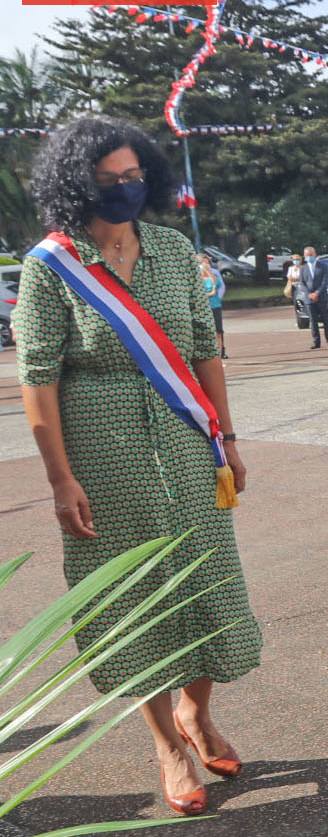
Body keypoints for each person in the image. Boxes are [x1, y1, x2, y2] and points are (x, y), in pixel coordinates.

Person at [14, 116, 262, 816]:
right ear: (75, 184)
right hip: (101, 454)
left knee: (206, 580)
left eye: (134, 178)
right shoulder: (50, 266)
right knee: (134, 600)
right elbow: (38, 377)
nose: (126, 190)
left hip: (187, 445)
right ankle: (167, 746)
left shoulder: (172, 250)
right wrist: (61, 479)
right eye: (109, 181)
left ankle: (197, 711)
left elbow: (204, 348)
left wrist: (228, 438)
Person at [298, 245, 328, 354]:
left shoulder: (321, 266)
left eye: (311, 255)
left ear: (315, 254)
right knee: (313, 321)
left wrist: (317, 293)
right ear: (304, 256)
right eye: (307, 255)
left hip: (321, 297)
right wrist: (309, 294)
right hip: (309, 299)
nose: (309, 257)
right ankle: (316, 341)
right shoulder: (303, 268)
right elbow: (302, 283)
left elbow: (325, 280)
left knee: (325, 320)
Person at [196, 253, 228, 359]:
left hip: (215, 305)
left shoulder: (213, 273)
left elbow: (218, 284)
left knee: (218, 331)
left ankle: (221, 351)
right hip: (202, 307)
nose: (204, 263)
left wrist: (208, 271)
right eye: (202, 262)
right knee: (206, 330)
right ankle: (208, 352)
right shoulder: (195, 275)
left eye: (206, 261)